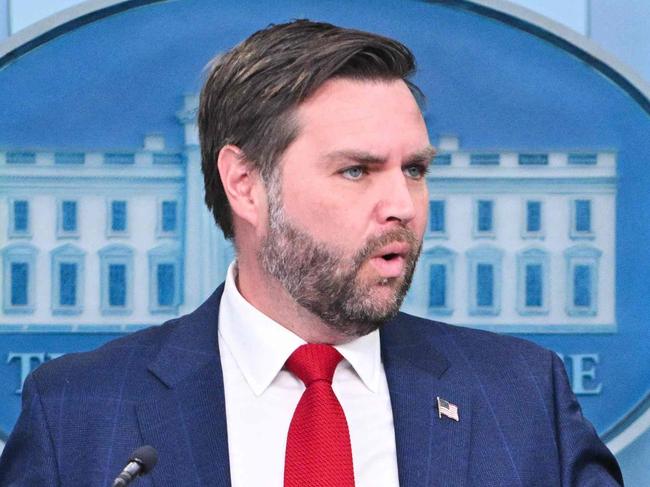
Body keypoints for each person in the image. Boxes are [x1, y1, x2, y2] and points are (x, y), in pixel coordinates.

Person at [0, 20, 622, 487]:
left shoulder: (522, 398)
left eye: (414, 169)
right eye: (356, 171)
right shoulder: (77, 416)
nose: (402, 204)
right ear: (244, 184)